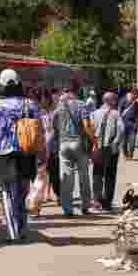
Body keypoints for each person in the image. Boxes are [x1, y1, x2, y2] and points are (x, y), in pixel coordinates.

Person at [0, 70, 41, 243]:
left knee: (8, 193)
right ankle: (23, 229)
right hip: (26, 153)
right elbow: (39, 130)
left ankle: (13, 233)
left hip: (3, 154)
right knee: (22, 193)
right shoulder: (30, 104)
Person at [53, 86, 93, 216]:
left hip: (63, 144)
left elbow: (54, 127)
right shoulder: (81, 105)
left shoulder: (58, 107)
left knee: (66, 178)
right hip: (79, 143)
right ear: (75, 93)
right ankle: (85, 206)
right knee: (84, 176)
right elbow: (86, 125)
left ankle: (67, 209)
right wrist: (93, 139)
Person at [92, 92, 122, 212]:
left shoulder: (94, 114)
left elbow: (90, 129)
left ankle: (96, 201)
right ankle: (107, 203)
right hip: (110, 148)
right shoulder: (116, 114)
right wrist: (115, 143)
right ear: (111, 101)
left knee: (97, 174)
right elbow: (121, 130)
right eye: (115, 100)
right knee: (110, 175)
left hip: (98, 148)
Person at [119, 88, 138, 160]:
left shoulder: (136, 104)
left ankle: (130, 154)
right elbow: (119, 111)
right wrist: (119, 122)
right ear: (132, 94)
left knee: (133, 140)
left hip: (133, 124)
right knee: (124, 141)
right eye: (136, 95)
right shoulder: (123, 100)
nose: (137, 96)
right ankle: (125, 154)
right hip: (123, 123)